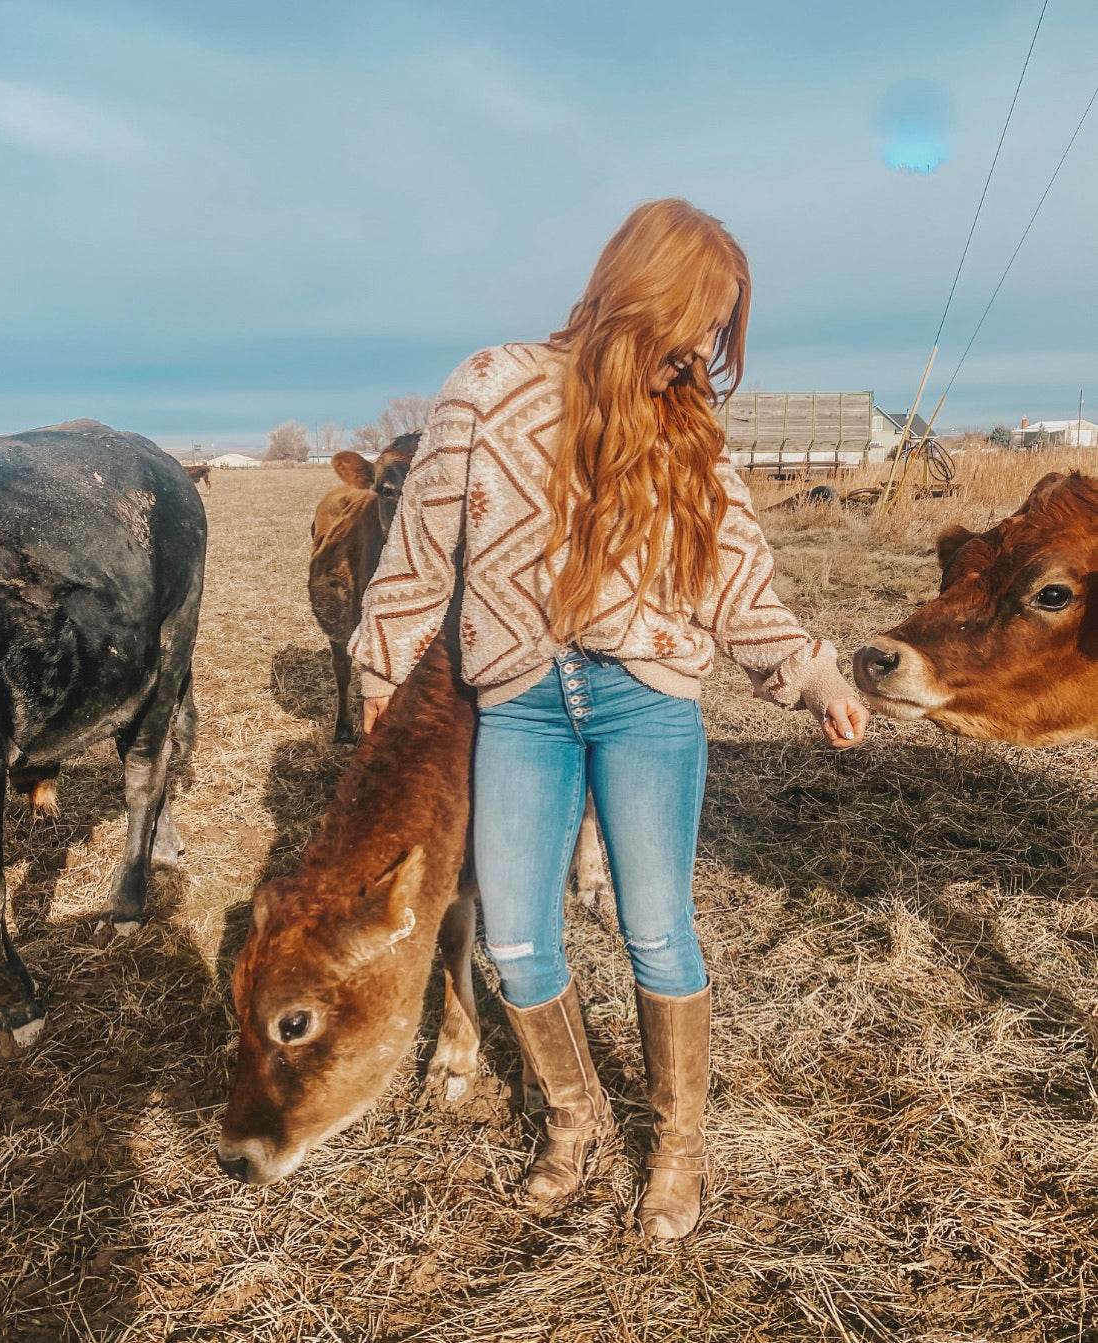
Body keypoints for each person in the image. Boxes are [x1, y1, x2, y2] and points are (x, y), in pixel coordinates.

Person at [349, 198, 869, 1240]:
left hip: (646, 703)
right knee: (517, 938)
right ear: (642, 288)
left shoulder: (689, 425)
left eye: (718, 328)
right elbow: (417, 556)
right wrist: (378, 683)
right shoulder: (490, 386)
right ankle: (574, 1121)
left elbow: (735, 579)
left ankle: (676, 1147)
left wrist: (811, 673)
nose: (701, 346)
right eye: (698, 315)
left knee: (655, 930)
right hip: (522, 705)